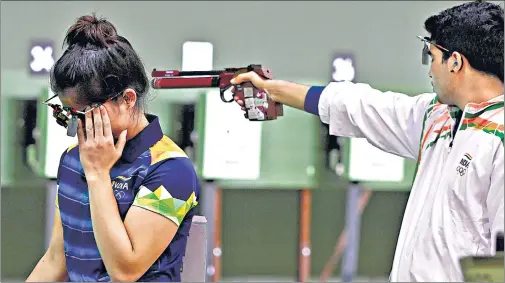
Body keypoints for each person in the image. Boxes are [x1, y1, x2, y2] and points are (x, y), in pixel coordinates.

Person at [232, 1, 503, 281]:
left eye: (431, 57)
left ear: (456, 62)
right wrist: (271, 90)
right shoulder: (437, 117)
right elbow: (356, 105)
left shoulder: (499, 139)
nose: (429, 71)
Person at [26, 14, 200, 282]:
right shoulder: (74, 158)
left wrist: (97, 175)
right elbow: (56, 259)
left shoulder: (171, 169)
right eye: (68, 113)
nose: (77, 125)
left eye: (86, 114)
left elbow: (124, 271)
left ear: (127, 99)